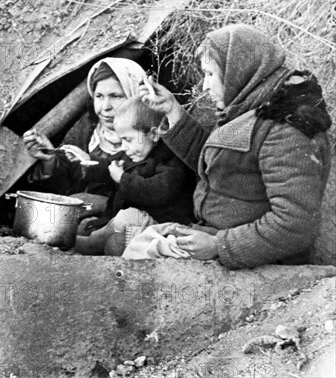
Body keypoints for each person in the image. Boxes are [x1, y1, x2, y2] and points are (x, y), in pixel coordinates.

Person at [124, 24, 332, 269]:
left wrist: (218, 245)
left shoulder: (286, 127)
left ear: (238, 71)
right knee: (128, 242)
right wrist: (172, 110)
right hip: (217, 237)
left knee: (134, 258)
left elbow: (295, 224)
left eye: (210, 75)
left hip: (256, 260)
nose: (204, 87)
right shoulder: (250, 106)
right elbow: (218, 164)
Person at [22, 57, 148, 232]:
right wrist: (50, 160)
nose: (105, 107)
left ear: (135, 95)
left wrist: (102, 203)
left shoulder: (146, 138)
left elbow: (156, 194)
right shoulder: (87, 128)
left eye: (116, 96)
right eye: (99, 96)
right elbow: (64, 189)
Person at [75, 98, 195, 256]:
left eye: (128, 139)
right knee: (87, 226)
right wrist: (87, 162)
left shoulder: (171, 162)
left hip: (162, 226)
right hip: (137, 222)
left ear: (153, 134)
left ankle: (92, 243)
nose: (124, 147)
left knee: (123, 225)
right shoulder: (135, 153)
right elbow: (108, 166)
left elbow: (157, 191)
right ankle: (98, 237)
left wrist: (123, 179)